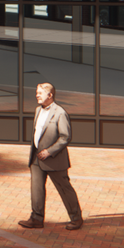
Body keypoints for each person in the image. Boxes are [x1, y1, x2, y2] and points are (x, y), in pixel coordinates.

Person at [18, 81, 83, 231]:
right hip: (36, 157)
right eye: (36, 93)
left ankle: (76, 218)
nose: (37, 96)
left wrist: (49, 151)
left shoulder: (60, 113)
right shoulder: (37, 110)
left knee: (64, 189)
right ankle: (36, 218)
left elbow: (65, 137)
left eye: (39, 93)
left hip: (54, 160)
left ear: (50, 95)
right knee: (36, 189)